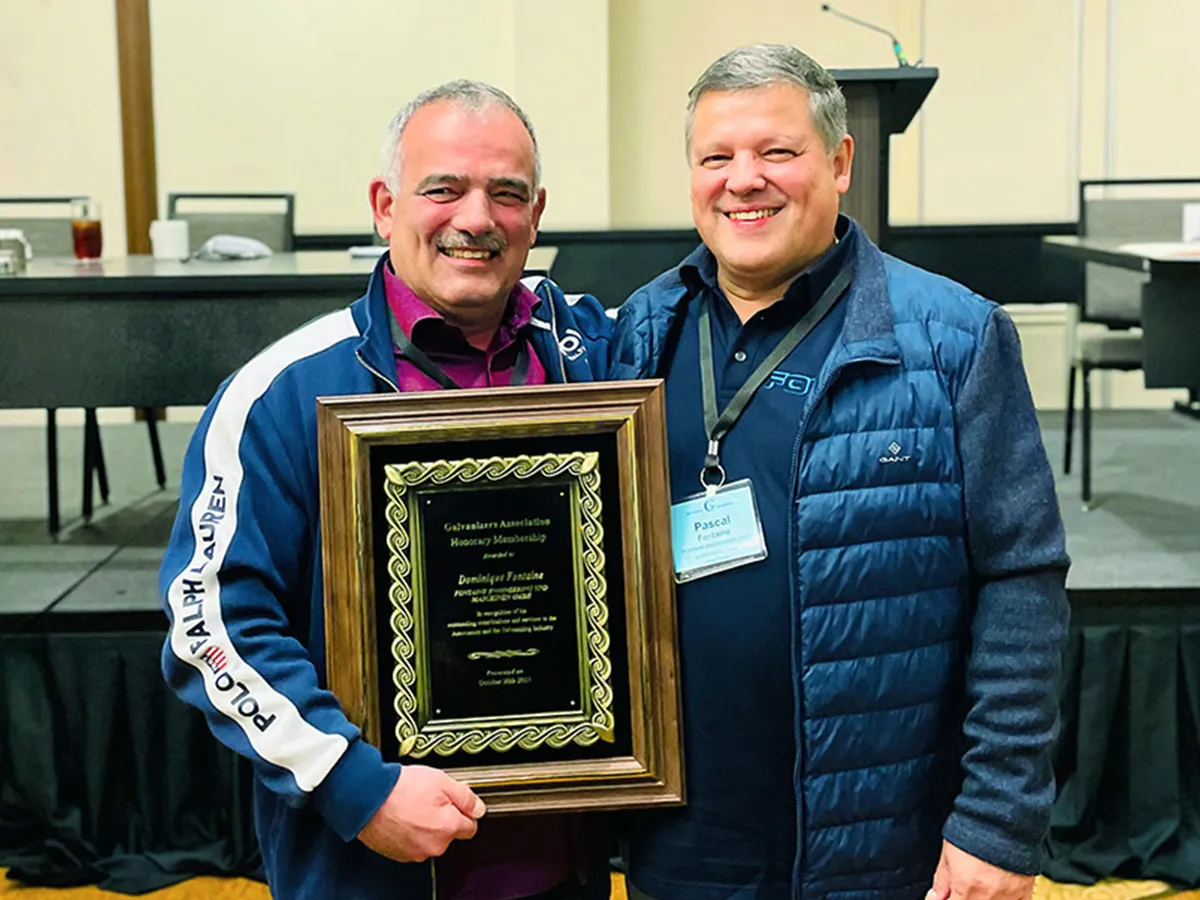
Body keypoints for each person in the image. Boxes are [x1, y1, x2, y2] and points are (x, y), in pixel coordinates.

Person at [608, 44, 1070, 900]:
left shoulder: (955, 338)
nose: (743, 180)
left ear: (839, 161)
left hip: (882, 840)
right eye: (717, 157)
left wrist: (999, 824)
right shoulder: (642, 331)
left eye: (776, 152)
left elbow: (1022, 583)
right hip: (684, 838)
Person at [159, 80, 613, 900]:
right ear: (383, 204)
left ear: (536, 215)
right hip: (373, 870)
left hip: (567, 866)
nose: (476, 218)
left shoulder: (598, 361)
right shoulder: (287, 393)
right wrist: (350, 782)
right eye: (443, 188)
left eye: (506, 194)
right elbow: (209, 623)